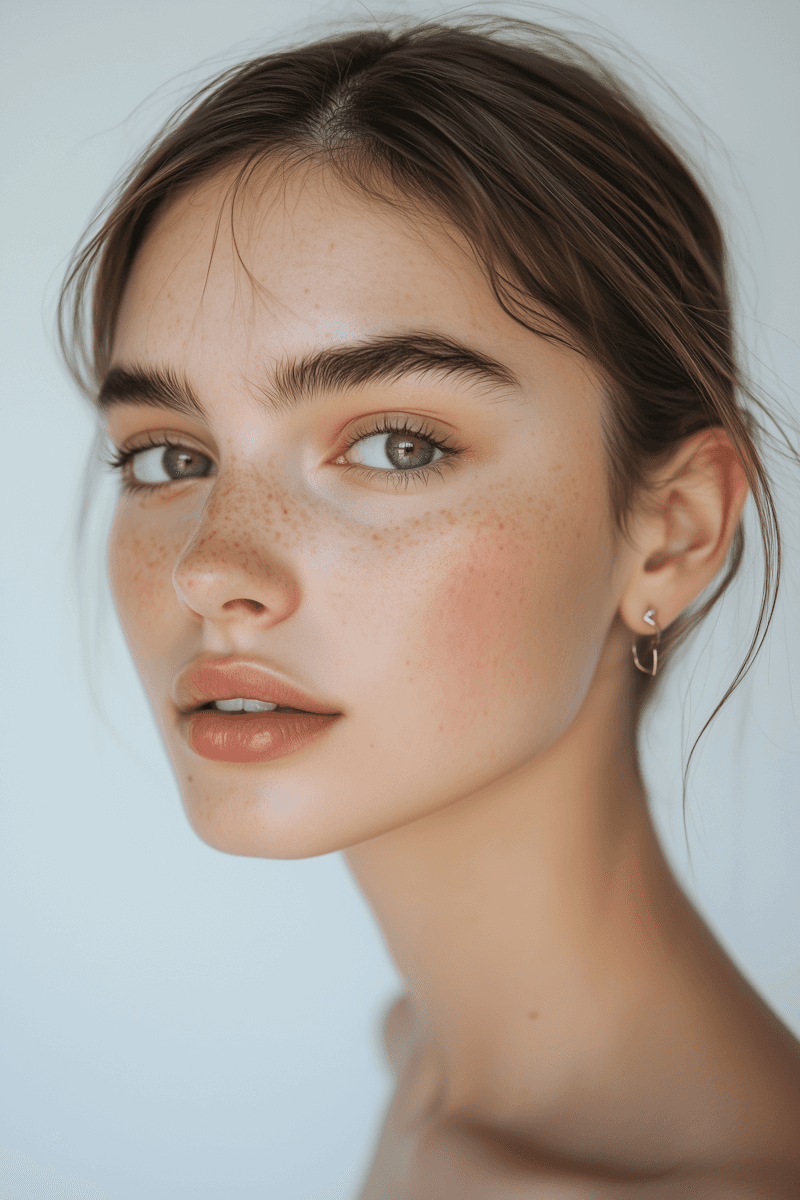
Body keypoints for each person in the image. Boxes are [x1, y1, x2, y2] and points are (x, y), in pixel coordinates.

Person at [58, 15, 800, 1197]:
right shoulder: (422, 1065)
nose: (211, 568)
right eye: (167, 456)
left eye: (396, 445)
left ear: (671, 533)